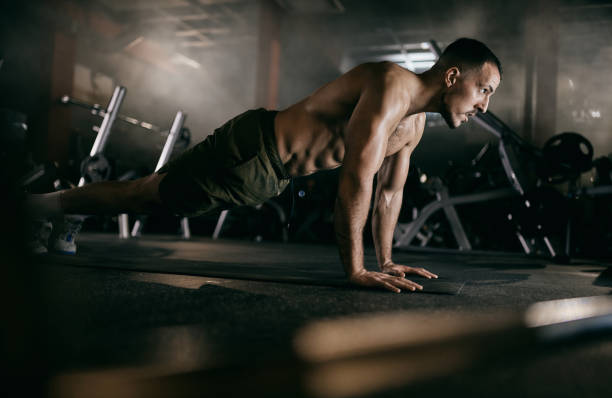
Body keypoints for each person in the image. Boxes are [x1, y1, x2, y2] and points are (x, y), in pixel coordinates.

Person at [27, 37, 501, 293]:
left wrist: (388, 260)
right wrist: (355, 270)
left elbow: (389, 194)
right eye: (484, 89)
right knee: (148, 195)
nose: (484, 105)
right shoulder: (390, 85)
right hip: (253, 148)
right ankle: (40, 207)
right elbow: (357, 177)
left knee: (154, 196)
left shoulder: (414, 127)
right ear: (453, 75)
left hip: (269, 175)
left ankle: (67, 209)